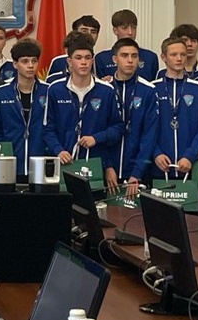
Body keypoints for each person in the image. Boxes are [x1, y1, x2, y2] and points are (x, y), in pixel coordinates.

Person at [42, 32, 123, 188]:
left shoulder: (106, 91)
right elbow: (48, 129)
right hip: (63, 163)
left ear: (92, 60)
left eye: (87, 58)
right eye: (78, 58)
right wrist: (58, 150)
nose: (84, 62)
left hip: (94, 164)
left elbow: (117, 128)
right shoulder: (55, 89)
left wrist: (96, 138)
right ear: (69, 61)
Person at [151, 36, 198, 182]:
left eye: (183, 54)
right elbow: (145, 128)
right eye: (173, 55)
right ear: (163, 57)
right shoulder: (152, 88)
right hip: (158, 167)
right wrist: (156, 153)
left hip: (190, 166)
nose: (179, 59)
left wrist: (190, 155)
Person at [0, 37, 49, 175]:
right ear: (15, 64)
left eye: (34, 61)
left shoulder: (48, 91)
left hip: (41, 162)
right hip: (10, 163)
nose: (30, 65)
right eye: (25, 61)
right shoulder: (1, 92)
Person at [109, 38, 158, 196]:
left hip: (137, 172)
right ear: (115, 59)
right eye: (124, 55)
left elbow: (149, 135)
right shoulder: (104, 89)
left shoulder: (148, 90)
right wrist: (107, 166)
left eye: (134, 56)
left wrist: (137, 172)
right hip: (108, 171)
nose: (130, 60)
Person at [94, 10, 158, 82]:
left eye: (133, 27)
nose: (130, 32)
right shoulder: (101, 58)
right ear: (115, 30)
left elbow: (154, 85)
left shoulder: (150, 57)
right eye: (124, 28)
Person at [46, 15, 102, 81]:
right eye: (84, 31)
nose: (89, 34)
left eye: (93, 32)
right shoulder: (58, 61)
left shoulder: (100, 59)